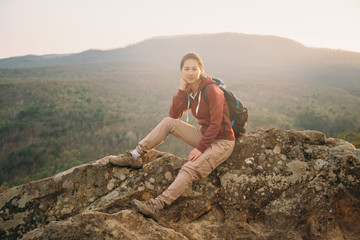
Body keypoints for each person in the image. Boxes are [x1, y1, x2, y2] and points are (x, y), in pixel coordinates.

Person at [109, 52, 235, 220]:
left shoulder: (212, 90)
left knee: (189, 168)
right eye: (186, 69)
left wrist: (200, 149)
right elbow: (174, 115)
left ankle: (157, 205)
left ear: (201, 70)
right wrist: (182, 89)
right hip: (205, 135)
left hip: (222, 142)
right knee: (168, 122)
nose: (190, 72)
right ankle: (135, 155)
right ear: (181, 71)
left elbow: (216, 124)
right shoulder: (191, 90)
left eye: (194, 69)